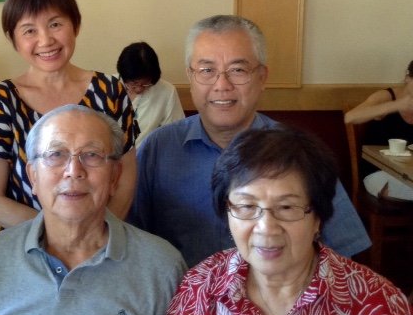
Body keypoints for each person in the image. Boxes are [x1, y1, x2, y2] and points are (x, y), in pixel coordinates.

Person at [129, 14, 370, 267]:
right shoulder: (158, 149)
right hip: (182, 290)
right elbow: (132, 240)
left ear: (262, 77)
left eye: (238, 70)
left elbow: (341, 256)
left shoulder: (300, 154)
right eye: (207, 70)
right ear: (190, 77)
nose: (222, 85)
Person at [0, 105, 186, 315]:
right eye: (56, 154)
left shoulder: (162, 266)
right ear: (33, 176)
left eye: (92, 155)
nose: (73, 170)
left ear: (115, 176)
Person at [161, 127, 413, 315]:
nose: (266, 228)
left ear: (318, 218)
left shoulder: (380, 306)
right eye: (247, 206)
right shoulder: (199, 288)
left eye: (286, 207)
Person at [0, 0, 139, 236]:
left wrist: (94, 237)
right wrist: (60, 237)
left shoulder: (110, 91)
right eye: (29, 30)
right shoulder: (2, 100)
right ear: (13, 38)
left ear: (75, 25)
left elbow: (125, 180)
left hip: (98, 243)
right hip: (19, 243)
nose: (45, 40)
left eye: (55, 24)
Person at [345, 60, 413, 200]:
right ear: (408, 77)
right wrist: (396, 105)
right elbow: (350, 117)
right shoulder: (386, 96)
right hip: (379, 172)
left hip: (409, 173)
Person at [116, 41, 185, 146]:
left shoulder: (166, 91)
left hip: (147, 154)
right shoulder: (108, 87)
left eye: (145, 84)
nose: (139, 89)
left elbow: (176, 134)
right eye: (134, 83)